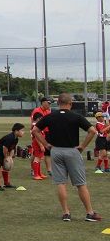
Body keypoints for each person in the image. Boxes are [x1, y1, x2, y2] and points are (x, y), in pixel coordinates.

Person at [33, 92, 100, 222]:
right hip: (72, 151)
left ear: (58, 103)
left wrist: (46, 144)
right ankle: (89, 213)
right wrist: (83, 146)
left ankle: (66, 213)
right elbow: (92, 131)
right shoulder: (76, 116)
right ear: (71, 103)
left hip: (56, 151)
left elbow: (35, 130)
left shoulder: (50, 116)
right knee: (80, 183)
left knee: (61, 183)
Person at [0, 123, 24, 191]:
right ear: (16, 131)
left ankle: (6, 183)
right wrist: (6, 157)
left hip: (2, 152)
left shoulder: (16, 139)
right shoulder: (10, 137)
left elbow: (12, 149)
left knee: (6, 167)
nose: (23, 132)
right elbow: (4, 148)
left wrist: (10, 157)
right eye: (22, 130)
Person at [29, 97, 53, 180]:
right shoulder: (37, 111)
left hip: (46, 133)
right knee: (36, 153)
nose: (49, 105)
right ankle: (34, 170)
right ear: (43, 102)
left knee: (45, 152)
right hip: (38, 133)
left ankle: (43, 171)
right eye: (48, 103)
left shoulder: (48, 111)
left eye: (50, 103)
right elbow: (34, 125)